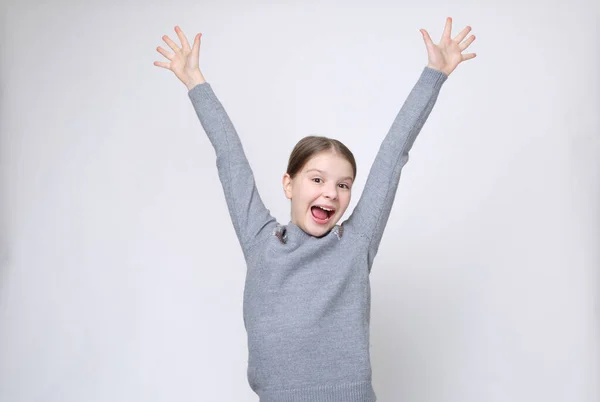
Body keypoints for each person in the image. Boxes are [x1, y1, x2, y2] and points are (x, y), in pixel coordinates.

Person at [154, 17, 476, 402]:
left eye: (343, 185)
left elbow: (392, 156)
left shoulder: (355, 244)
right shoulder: (262, 240)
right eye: (317, 180)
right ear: (289, 184)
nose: (331, 194)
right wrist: (195, 84)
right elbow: (230, 158)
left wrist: (434, 75)